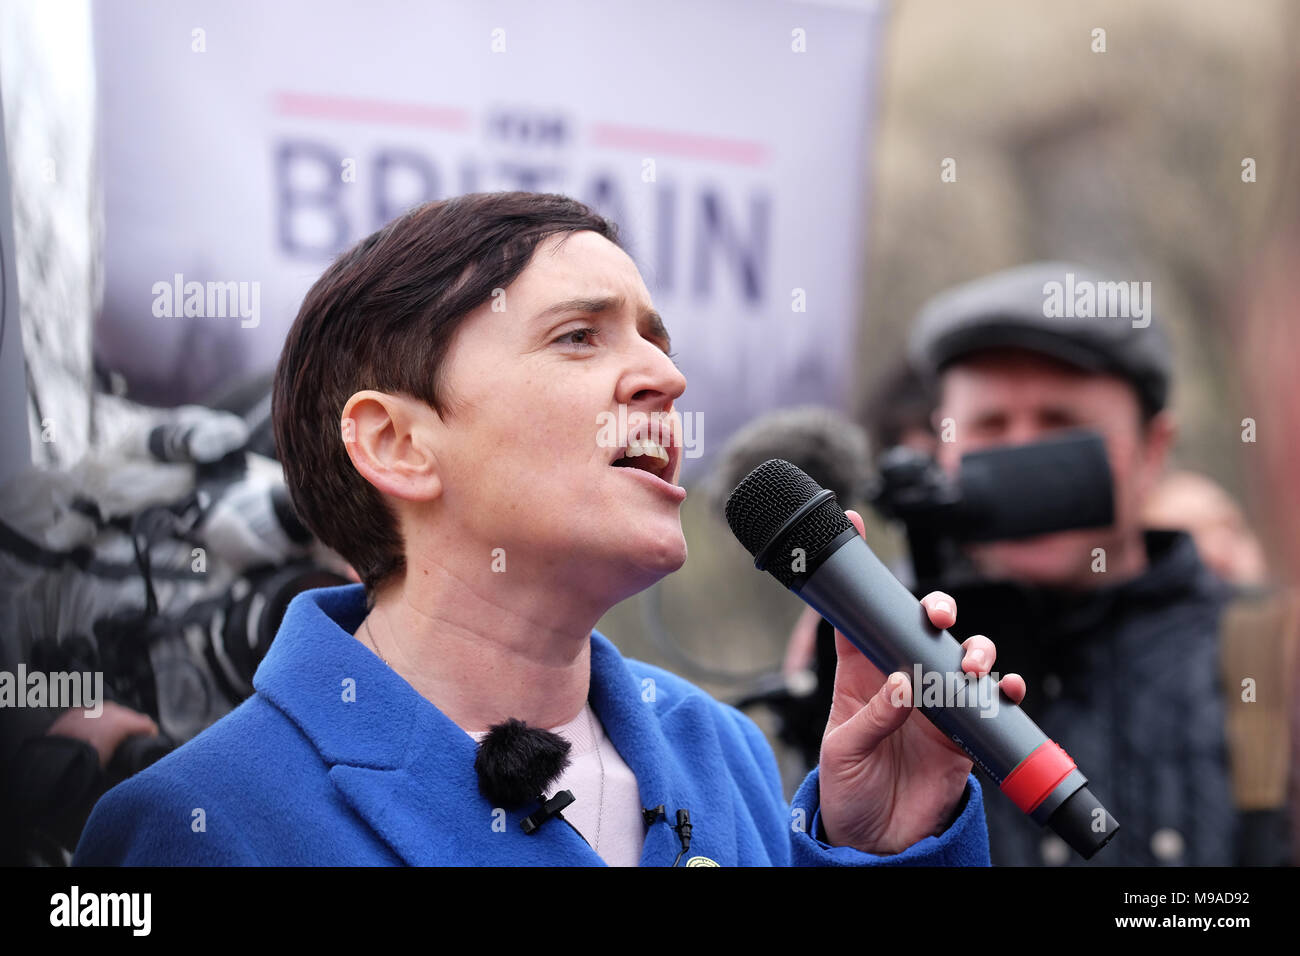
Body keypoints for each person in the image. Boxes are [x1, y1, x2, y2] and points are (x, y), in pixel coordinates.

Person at [73, 192, 1025, 866]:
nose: (665, 377)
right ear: (397, 443)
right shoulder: (201, 821)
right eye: (580, 336)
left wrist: (880, 851)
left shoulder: (721, 753)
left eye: (657, 338)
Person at [906, 261, 1284, 865]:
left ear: (1152, 450)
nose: (1023, 458)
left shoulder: (1271, 662)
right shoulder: (888, 660)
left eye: (1062, 425)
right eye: (989, 425)